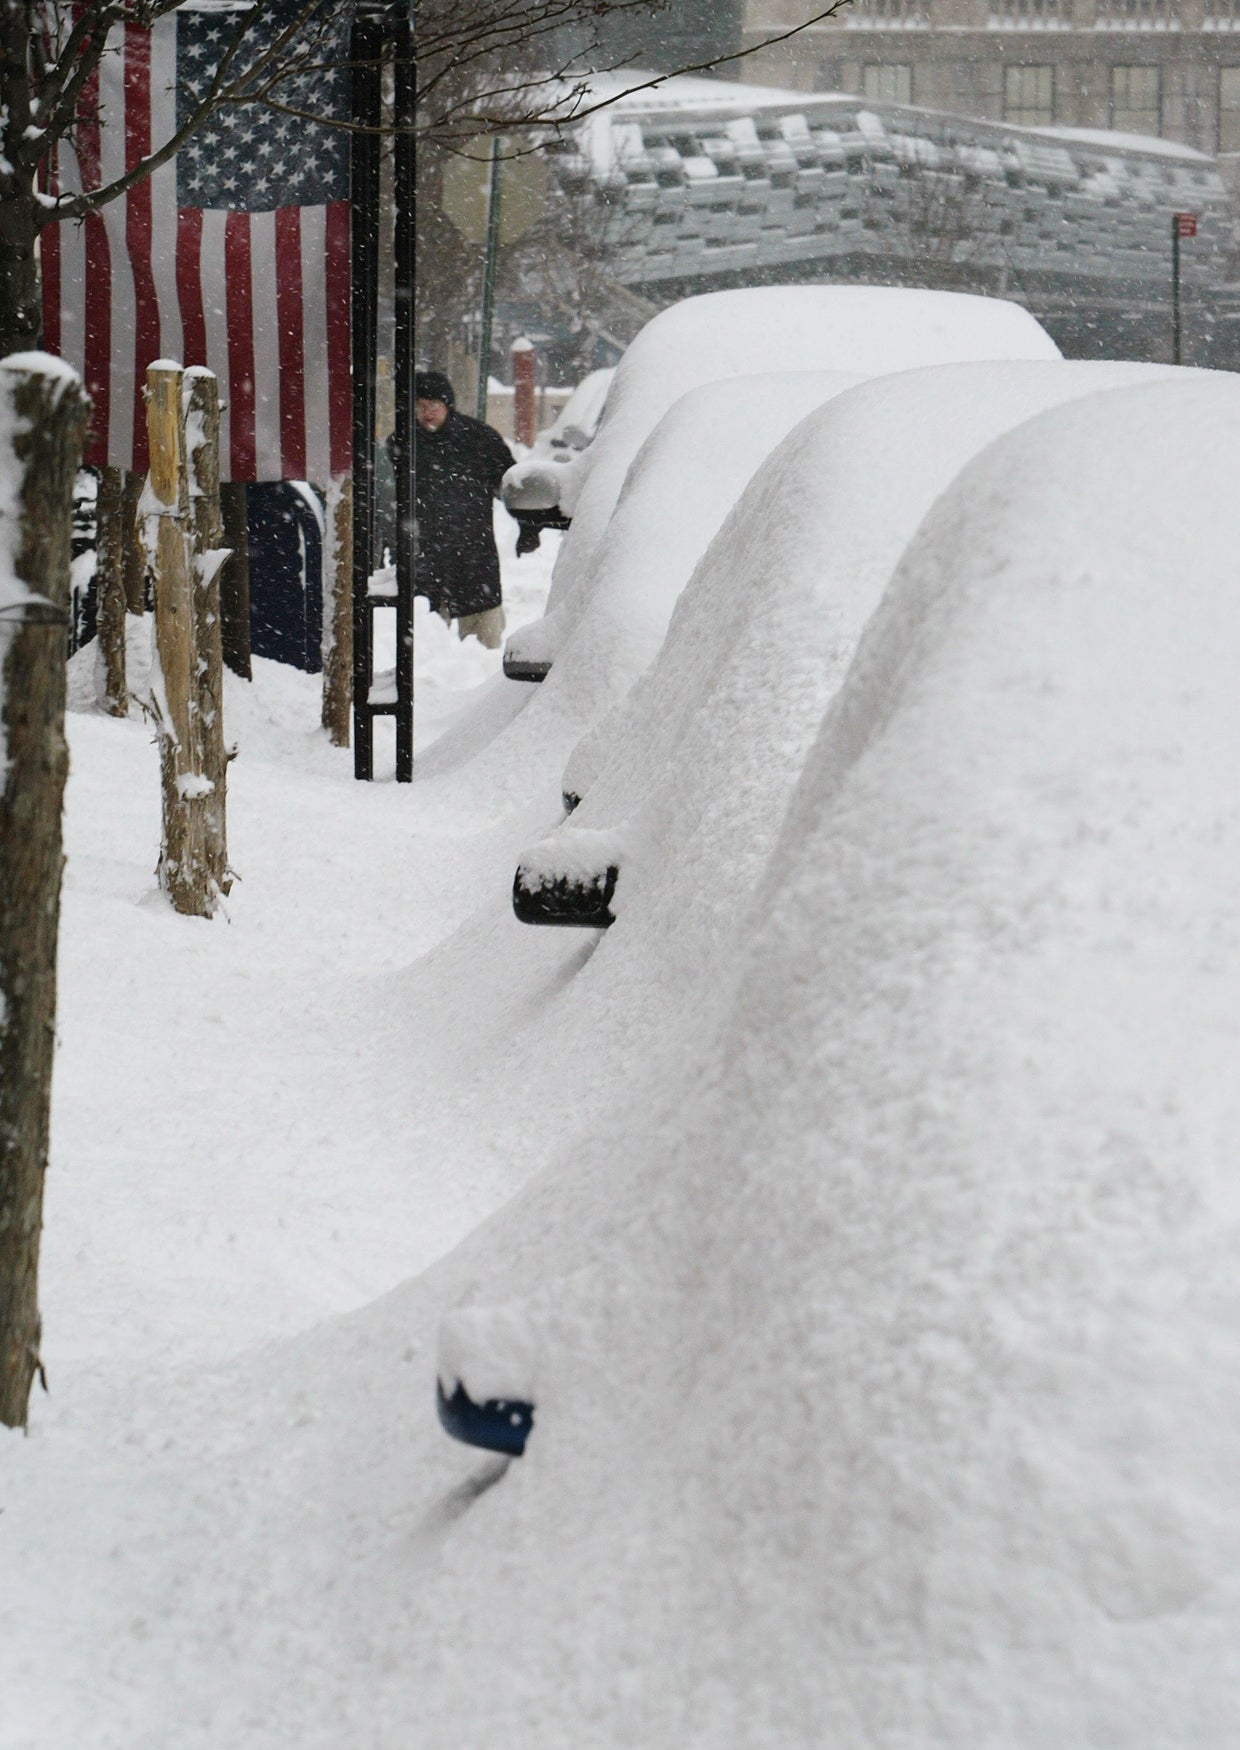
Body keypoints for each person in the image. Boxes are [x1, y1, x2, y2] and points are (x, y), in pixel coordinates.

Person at [410, 370, 515, 649]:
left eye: (434, 405)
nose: (427, 412)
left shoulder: (479, 439)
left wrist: (530, 525)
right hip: (425, 555)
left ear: (447, 405)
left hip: (473, 554)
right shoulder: (405, 443)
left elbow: (512, 486)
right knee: (424, 642)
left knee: (483, 643)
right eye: (421, 406)